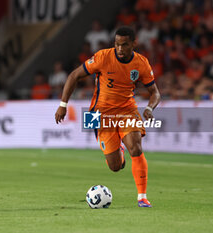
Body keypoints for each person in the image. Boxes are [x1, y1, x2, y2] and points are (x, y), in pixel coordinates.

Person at [55, 26, 161, 207]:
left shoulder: (141, 63)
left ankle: (142, 196)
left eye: (124, 45)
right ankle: (118, 152)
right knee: (115, 167)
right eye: (117, 44)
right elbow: (74, 76)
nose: (120, 49)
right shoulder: (103, 57)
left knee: (135, 148)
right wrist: (63, 105)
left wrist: (150, 108)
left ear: (133, 44)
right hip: (100, 114)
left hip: (127, 110)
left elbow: (155, 92)